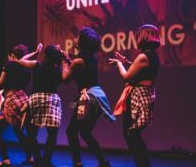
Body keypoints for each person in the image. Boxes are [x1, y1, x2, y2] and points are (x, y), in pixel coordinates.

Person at [61, 27, 115, 167]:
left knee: (72, 131)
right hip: (97, 96)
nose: (75, 38)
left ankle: (77, 163)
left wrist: (64, 63)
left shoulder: (78, 61)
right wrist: (69, 61)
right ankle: (103, 162)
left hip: (88, 98)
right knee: (85, 132)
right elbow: (79, 72)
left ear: (82, 42)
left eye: (78, 36)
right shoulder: (91, 59)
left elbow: (66, 78)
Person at [109, 24, 160, 167]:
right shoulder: (151, 55)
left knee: (131, 134)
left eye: (138, 36)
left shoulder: (143, 56)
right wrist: (126, 61)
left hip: (138, 97)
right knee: (132, 134)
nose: (136, 39)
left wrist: (119, 63)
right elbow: (141, 69)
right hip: (145, 95)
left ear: (143, 37)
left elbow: (126, 76)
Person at [0, 44, 39, 167]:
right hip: (22, 98)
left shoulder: (9, 64)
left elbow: (1, 82)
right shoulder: (26, 69)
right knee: (18, 131)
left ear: (12, 55)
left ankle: (5, 160)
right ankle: (30, 157)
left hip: (12, 100)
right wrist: (35, 53)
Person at [17, 44, 64, 167]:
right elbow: (65, 77)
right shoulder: (58, 68)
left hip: (37, 98)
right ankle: (47, 161)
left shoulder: (37, 65)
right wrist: (64, 57)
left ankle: (38, 160)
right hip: (52, 99)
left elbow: (21, 61)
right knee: (52, 134)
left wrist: (35, 52)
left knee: (31, 133)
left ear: (46, 55)